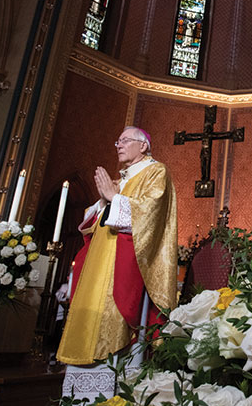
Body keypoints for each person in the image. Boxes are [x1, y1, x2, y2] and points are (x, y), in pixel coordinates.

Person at [56, 126, 178, 369]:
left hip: (125, 259)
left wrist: (115, 198)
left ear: (143, 146)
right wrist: (104, 200)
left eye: (124, 140)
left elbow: (150, 213)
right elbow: (94, 218)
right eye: (117, 141)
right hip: (100, 256)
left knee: (115, 321)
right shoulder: (121, 178)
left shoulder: (155, 171)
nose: (118, 145)